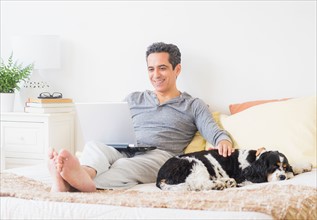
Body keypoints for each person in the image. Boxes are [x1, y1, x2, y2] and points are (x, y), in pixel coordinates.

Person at [48, 42, 233, 192]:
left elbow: (214, 132)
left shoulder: (192, 105)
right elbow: (113, 126)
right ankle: (83, 174)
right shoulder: (134, 98)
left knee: (124, 166)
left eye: (162, 68)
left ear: (177, 70)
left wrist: (223, 141)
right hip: (125, 148)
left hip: (160, 156)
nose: (155, 75)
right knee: (94, 146)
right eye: (151, 69)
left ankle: (73, 182)